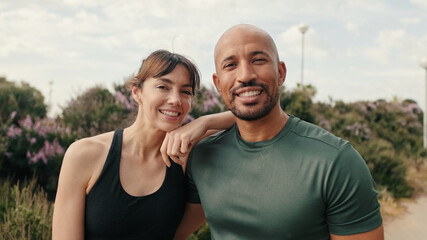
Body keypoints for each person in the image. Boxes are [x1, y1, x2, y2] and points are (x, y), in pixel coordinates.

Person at [171, 24, 384, 240]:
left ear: (281, 73)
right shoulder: (203, 156)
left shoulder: (336, 162)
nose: (245, 75)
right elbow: (172, 231)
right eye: (231, 65)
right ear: (218, 83)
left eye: (258, 60)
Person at [52, 50, 234, 240]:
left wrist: (204, 122)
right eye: (163, 86)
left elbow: (254, 119)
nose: (175, 100)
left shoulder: (188, 153)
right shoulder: (85, 154)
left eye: (185, 91)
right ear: (137, 92)